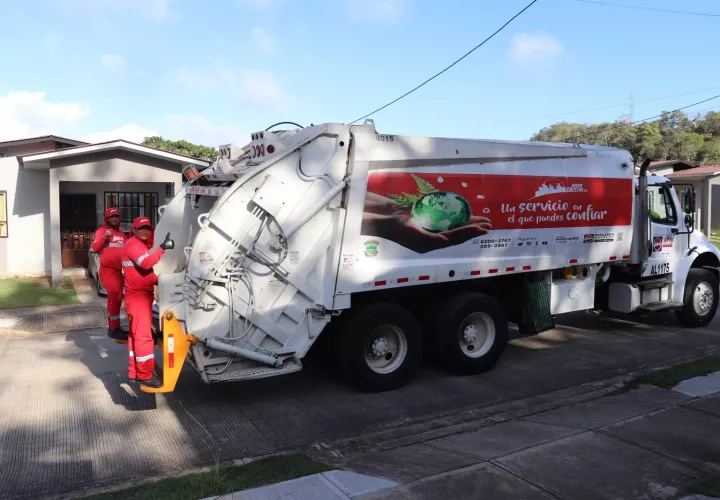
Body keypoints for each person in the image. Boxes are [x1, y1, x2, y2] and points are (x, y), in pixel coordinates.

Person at [122, 216, 174, 388]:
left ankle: (134, 372)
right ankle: (144, 375)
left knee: (135, 336)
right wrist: (161, 249)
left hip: (138, 298)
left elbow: (146, 274)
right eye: (141, 228)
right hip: (138, 298)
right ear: (134, 230)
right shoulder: (133, 245)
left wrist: (161, 281)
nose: (145, 231)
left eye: (148, 228)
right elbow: (145, 264)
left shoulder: (138, 246)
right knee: (144, 337)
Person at [91, 208, 128, 340]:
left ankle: (114, 327)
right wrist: (104, 237)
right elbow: (95, 248)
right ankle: (113, 328)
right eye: (112, 217)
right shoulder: (102, 231)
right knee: (114, 297)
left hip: (119, 272)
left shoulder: (122, 235)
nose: (115, 218)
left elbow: (128, 250)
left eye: (117, 216)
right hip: (107, 271)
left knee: (118, 298)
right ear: (106, 219)